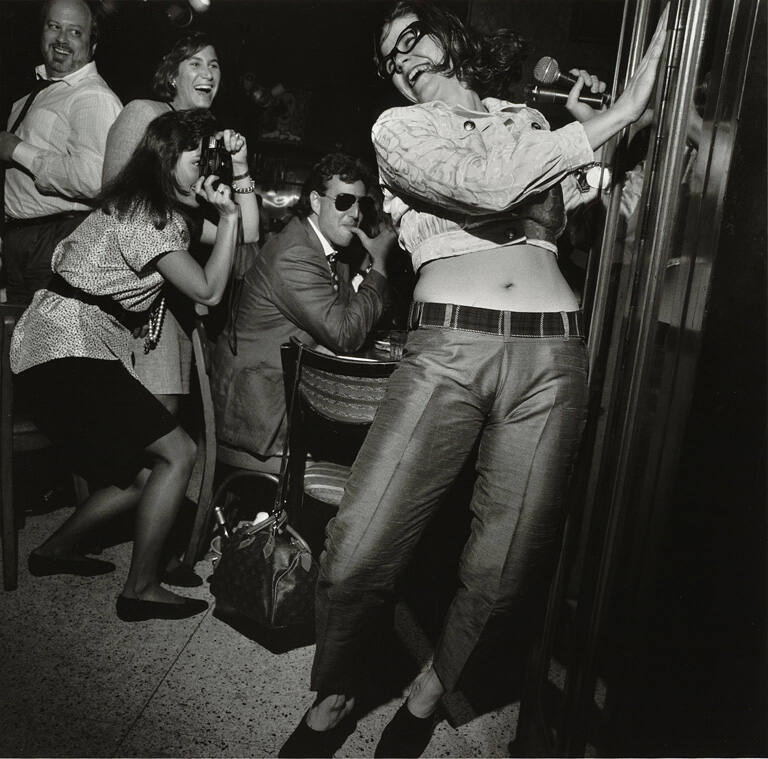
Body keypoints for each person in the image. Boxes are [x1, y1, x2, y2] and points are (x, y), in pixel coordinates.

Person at [280, 1, 669, 756]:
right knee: (359, 542)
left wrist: (606, 142)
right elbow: (489, 187)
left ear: (450, 37)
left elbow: (588, 208)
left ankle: (430, 689)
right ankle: (340, 686)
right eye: (390, 58)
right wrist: (608, 118)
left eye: (412, 37)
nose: (404, 58)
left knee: (508, 563)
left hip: (552, 356)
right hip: (450, 346)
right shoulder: (401, 133)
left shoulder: (528, 120)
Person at [10, 108, 259, 622]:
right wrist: (228, 216)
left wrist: (240, 170)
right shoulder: (149, 215)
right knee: (179, 453)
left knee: (146, 473)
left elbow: (249, 239)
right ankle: (140, 589)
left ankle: (54, 549)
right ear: (167, 162)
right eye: (198, 160)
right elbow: (210, 290)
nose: (205, 171)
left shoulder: (157, 210)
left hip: (64, 348)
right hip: (65, 346)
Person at [212, 152, 394, 472]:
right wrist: (379, 264)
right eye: (343, 202)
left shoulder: (327, 250)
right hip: (260, 417)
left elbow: (348, 319)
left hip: (286, 398)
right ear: (315, 201)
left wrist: (367, 268)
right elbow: (346, 335)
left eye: (360, 204)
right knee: (368, 466)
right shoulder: (297, 253)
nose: (354, 214)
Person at [102, 32, 227, 417]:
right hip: (133, 298)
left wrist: (245, 173)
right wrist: (130, 299)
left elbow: (214, 226)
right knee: (147, 431)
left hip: (173, 295)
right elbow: (113, 202)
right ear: (172, 75)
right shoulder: (145, 113)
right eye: (196, 63)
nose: (208, 72)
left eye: (215, 65)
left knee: (164, 421)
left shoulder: (203, 141)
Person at [0, 0, 122, 305]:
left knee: (52, 348)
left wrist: (17, 150)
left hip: (57, 240)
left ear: (92, 45)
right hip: (22, 242)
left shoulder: (91, 95)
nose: (62, 39)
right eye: (54, 27)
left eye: (75, 32)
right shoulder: (36, 95)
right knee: (20, 348)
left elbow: (95, 179)